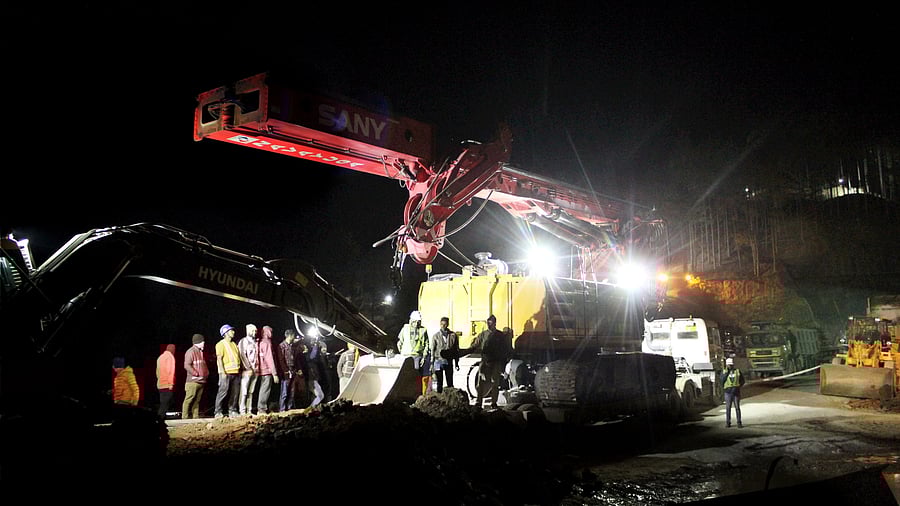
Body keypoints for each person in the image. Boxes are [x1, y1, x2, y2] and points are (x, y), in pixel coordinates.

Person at [467, 315, 512, 409]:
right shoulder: (483, 334)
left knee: (495, 383)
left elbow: (505, 349)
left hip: (495, 362)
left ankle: (493, 403)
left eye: (490, 323)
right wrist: (467, 351)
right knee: (481, 383)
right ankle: (479, 402)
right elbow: (475, 345)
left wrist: (504, 360)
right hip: (485, 361)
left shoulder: (500, 335)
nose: (488, 325)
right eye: (487, 323)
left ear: (495, 323)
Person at [397, 310, 429, 394]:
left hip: (417, 356)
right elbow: (400, 341)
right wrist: (401, 352)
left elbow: (426, 344)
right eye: (415, 321)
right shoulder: (405, 328)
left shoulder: (423, 330)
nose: (417, 324)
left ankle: (415, 393)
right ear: (411, 321)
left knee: (415, 374)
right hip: (406, 355)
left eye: (418, 322)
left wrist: (424, 356)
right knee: (405, 374)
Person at [214, 324, 242, 418]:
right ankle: (218, 411)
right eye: (230, 330)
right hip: (226, 372)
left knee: (235, 393)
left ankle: (232, 410)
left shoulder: (234, 344)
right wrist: (222, 372)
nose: (233, 332)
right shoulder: (220, 344)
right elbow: (219, 359)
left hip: (236, 372)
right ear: (225, 333)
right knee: (223, 392)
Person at [429, 317, 460, 393]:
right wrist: (431, 363)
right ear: (440, 324)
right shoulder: (435, 336)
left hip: (448, 360)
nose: (443, 326)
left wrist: (456, 363)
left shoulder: (453, 335)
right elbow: (432, 350)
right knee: (439, 382)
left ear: (448, 324)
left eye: (445, 324)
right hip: (438, 361)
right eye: (442, 324)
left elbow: (456, 350)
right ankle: (439, 398)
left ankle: (450, 399)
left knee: (450, 382)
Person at [182, 334, 209, 419]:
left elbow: (203, 365)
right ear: (198, 342)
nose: (204, 342)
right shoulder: (191, 351)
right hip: (192, 382)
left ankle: (195, 417)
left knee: (197, 401)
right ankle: (184, 418)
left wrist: (206, 373)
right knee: (189, 399)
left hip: (201, 381)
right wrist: (195, 373)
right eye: (202, 341)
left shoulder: (200, 352)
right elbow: (186, 365)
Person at [256, 325, 280, 415]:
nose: (272, 334)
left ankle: (261, 408)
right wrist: (274, 373)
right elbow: (269, 358)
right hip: (267, 370)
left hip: (261, 370)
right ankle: (261, 409)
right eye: (271, 331)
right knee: (265, 390)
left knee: (263, 389)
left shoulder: (260, 342)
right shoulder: (267, 343)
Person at [277, 329, 303, 411]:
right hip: (286, 372)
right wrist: (285, 370)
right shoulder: (281, 346)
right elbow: (280, 359)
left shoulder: (293, 346)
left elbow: (296, 359)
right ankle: (282, 409)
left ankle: (290, 407)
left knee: (292, 391)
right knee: (284, 392)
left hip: (293, 370)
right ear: (290, 336)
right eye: (293, 336)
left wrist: (298, 369)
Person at [238, 324, 259, 415]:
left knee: (251, 391)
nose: (255, 332)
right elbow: (242, 355)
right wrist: (248, 368)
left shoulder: (255, 342)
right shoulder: (243, 341)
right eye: (253, 331)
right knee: (244, 391)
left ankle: (249, 410)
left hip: (256, 370)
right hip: (247, 371)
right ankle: (242, 410)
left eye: (255, 331)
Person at [723, 357, 745, 428]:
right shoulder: (724, 372)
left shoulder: (737, 371)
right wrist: (727, 373)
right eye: (729, 365)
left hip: (736, 392)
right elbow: (722, 380)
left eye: (731, 365)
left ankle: (739, 422)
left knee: (737, 408)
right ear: (726, 365)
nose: (730, 366)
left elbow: (742, 380)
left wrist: (738, 387)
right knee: (728, 408)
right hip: (728, 392)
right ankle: (728, 422)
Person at [156, 344, 176, 417]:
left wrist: (159, 380)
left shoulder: (160, 357)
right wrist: (171, 384)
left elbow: (157, 372)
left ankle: (160, 418)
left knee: (163, 403)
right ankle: (159, 419)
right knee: (165, 404)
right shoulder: (170, 357)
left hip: (160, 384)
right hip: (167, 384)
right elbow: (170, 371)